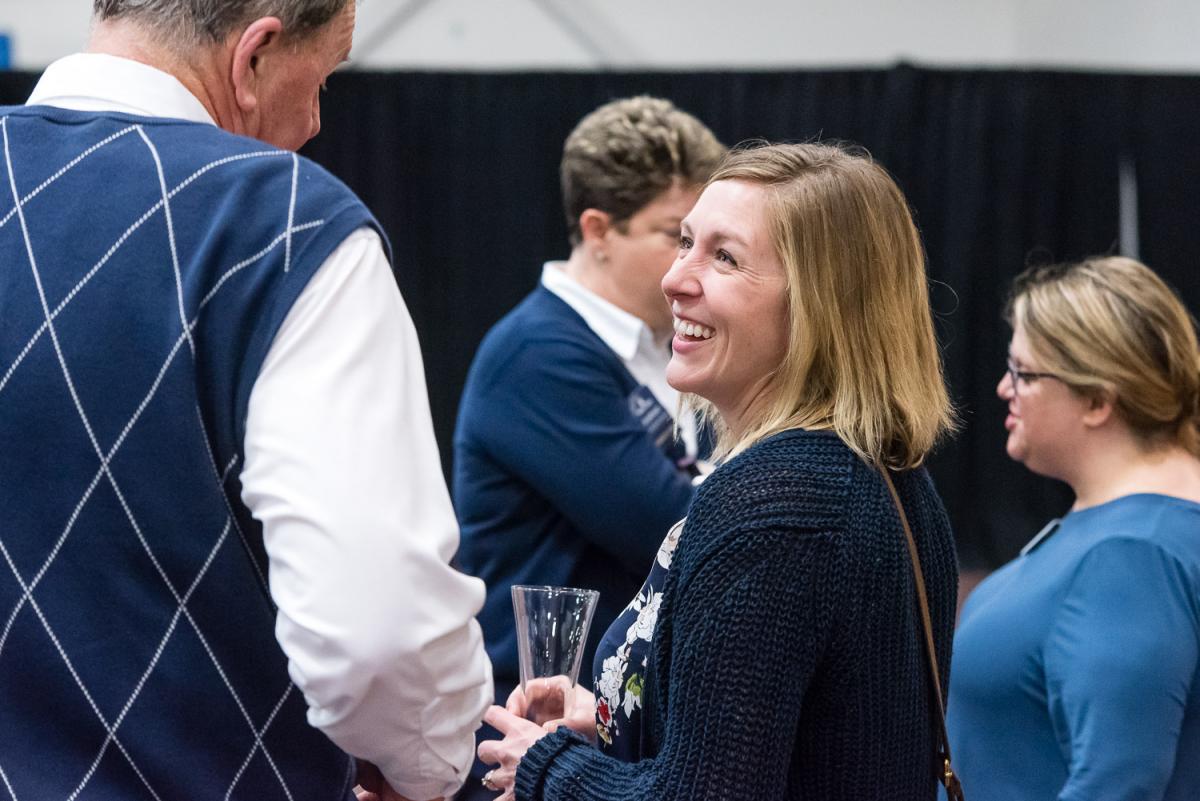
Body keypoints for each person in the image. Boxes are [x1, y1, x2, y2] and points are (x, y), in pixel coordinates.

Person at [0, 2, 491, 799]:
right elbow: (378, 635)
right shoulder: (286, 227)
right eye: (323, 77)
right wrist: (433, 764)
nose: (317, 120)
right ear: (255, 55)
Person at [475, 142, 961, 800]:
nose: (676, 278)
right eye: (684, 242)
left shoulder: (776, 508)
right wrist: (615, 721)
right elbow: (791, 746)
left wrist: (547, 765)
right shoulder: (889, 478)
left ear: (821, 304)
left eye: (724, 257)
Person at [451, 96, 723, 799]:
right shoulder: (538, 353)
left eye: (708, 243)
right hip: (532, 733)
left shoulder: (658, 346)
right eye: (675, 237)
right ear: (598, 229)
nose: (691, 268)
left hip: (600, 726)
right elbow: (671, 528)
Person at [948, 256, 1200, 801]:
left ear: (1097, 400)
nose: (1002, 388)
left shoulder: (1135, 551)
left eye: (1024, 373)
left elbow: (1118, 784)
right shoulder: (1132, 531)